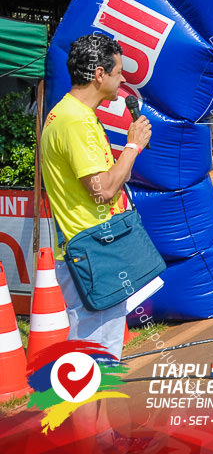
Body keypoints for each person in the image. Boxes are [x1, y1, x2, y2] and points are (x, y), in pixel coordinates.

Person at [40, 34, 152, 361]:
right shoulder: (76, 121)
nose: (123, 80)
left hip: (90, 251)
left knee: (100, 363)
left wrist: (126, 158)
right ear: (99, 74)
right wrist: (132, 147)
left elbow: (112, 181)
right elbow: (103, 190)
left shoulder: (72, 115)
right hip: (92, 253)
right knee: (95, 365)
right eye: (118, 72)